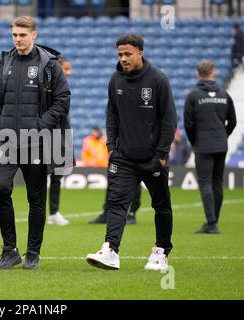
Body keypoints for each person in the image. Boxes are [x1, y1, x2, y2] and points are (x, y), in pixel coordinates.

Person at [86, 34, 177, 271]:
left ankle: (161, 251)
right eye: (120, 54)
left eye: (127, 54)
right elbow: (112, 115)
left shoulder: (158, 80)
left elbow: (169, 119)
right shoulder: (115, 80)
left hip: (152, 158)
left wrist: (161, 154)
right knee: (116, 204)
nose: (123, 59)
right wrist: (111, 147)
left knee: (161, 205)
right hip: (123, 157)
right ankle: (111, 250)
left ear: (140, 53)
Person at [0, 16, 71, 269]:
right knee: (0, 189)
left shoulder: (49, 65)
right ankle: (9, 250)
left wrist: (40, 125)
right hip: (8, 141)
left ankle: (33, 253)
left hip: (37, 142)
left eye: (22, 35)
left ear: (34, 35)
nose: (18, 39)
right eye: (14, 35)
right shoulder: (4, 63)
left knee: (36, 199)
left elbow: (62, 99)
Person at [184, 60, 236, 234]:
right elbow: (233, 121)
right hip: (221, 144)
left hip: (203, 144)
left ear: (198, 74)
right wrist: (223, 135)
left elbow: (188, 124)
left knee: (205, 182)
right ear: (213, 73)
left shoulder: (193, 95)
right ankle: (214, 221)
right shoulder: (224, 94)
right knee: (217, 182)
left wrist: (195, 141)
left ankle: (211, 223)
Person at [47, 56, 71, 226]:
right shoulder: (49, 88)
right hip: (47, 135)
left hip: (61, 135)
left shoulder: (64, 87)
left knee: (58, 174)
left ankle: (54, 213)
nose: (69, 72)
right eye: (66, 68)